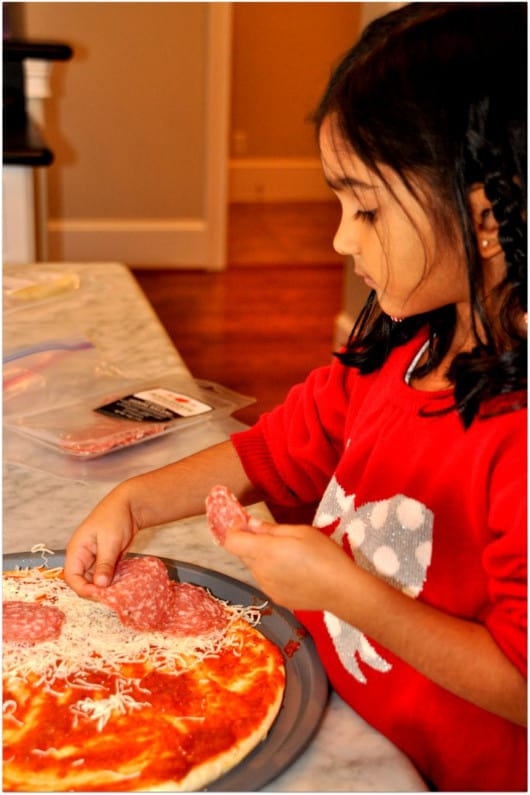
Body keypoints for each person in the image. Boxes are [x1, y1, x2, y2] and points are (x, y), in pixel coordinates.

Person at [64, 3, 527, 790]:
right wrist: (137, 499)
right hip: (323, 717)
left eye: (367, 208)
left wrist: (351, 592)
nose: (342, 239)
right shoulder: (394, 354)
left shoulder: (514, 442)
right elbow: (269, 451)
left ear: (484, 218)